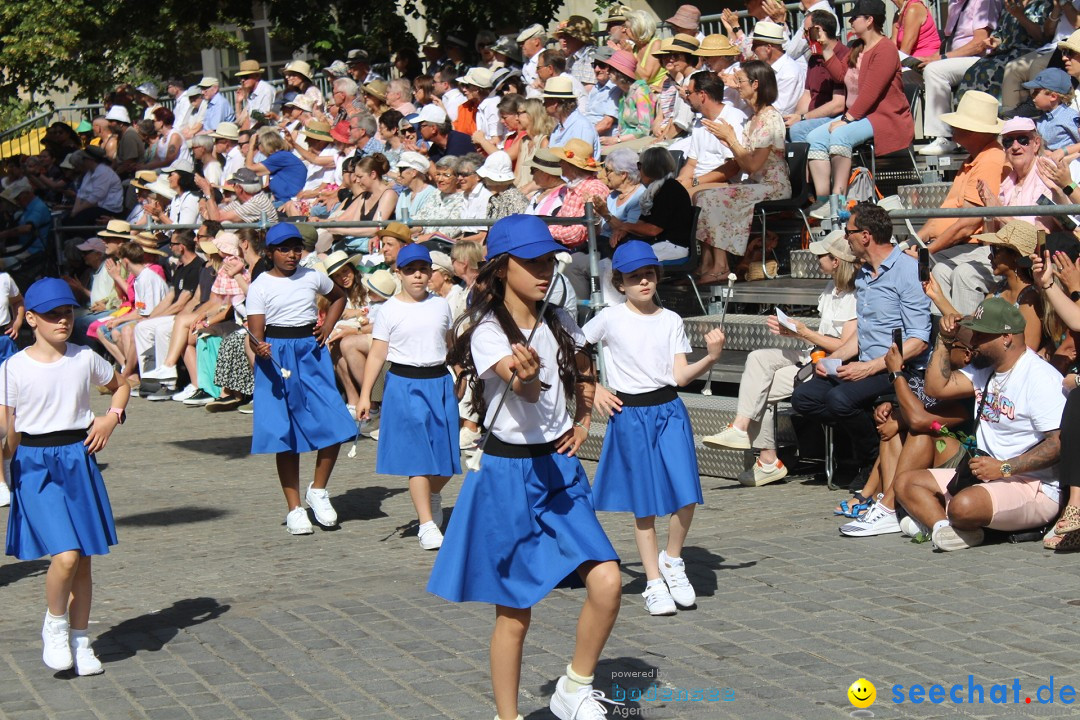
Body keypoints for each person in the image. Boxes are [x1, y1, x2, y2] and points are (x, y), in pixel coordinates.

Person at [428, 214, 621, 720]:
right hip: (505, 476)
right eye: (530, 261)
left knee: (607, 580)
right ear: (501, 266)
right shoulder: (487, 330)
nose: (543, 271)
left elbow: (582, 372)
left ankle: (574, 687)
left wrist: (582, 418)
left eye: (548, 261)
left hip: (559, 472)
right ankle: (507, 717)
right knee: (514, 614)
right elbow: (522, 387)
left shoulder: (560, 319)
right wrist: (531, 380)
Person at [584, 242, 724, 616]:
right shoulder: (609, 318)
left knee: (686, 493)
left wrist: (709, 358)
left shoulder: (671, 320)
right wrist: (593, 386)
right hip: (630, 414)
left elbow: (678, 375)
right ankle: (652, 581)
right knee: (643, 506)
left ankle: (672, 559)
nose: (643, 281)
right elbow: (573, 347)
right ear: (621, 283)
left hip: (669, 410)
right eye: (634, 277)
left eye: (648, 274)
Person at [1, 277, 130, 675]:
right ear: (31, 319)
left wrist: (111, 418)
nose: (62, 320)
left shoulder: (85, 357)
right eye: (53, 314)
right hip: (35, 464)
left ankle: (81, 640)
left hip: (78, 458)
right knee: (66, 555)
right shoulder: (13, 367)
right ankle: (55, 625)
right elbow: (7, 430)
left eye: (68, 312)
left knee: (84, 560)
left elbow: (120, 386)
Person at [895, 298, 1064, 550]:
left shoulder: (1040, 378)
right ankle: (945, 529)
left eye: (981, 336)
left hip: (1033, 485)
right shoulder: (986, 369)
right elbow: (935, 387)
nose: (973, 342)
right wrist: (944, 339)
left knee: (963, 506)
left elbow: (1059, 443)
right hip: (982, 476)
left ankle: (945, 521)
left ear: (1006, 338)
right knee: (905, 483)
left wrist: (1005, 468)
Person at [703, 230, 859, 485]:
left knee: (759, 388)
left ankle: (766, 460)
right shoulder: (832, 287)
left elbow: (843, 346)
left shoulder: (854, 294)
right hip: (815, 354)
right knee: (758, 359)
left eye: (822, 255)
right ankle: (746, 434)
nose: (817, 258)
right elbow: (822, 338)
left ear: (836, 261)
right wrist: (795, 333)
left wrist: (804, 331)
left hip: (834, 364)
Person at [791, 202, 931, 486]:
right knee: (804, 397)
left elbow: (919, 341)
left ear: (865, 235)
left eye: (848, 231)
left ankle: (871, 462)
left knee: (840, 399)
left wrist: (868, 369)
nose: (846, 238)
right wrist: (834, 359)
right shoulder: (865, 275)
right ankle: (872, 437)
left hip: (898, 370)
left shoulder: (906, 271)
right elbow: (862, 334)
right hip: (866, 363)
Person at [244, 223, 356, 535]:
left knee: (335, 423)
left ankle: (317, 490)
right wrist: (260, 346)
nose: (292, 254)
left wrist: (327, 327)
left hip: (310, 352)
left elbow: (338, 297)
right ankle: (294, 508)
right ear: (270, 253)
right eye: (284, 249)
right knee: (285, 434)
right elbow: (256, 331)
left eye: (296, 248)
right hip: (276, 357)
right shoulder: (260, 285)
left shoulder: (313, 275)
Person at [356, 244, 460, 550]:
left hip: (440, 382)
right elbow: (377, 354)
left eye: (423, 269)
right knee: (418, 458)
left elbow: (449, 342)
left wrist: (460, 371)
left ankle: (432, 494)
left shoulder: (441, 305)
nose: (418, 275)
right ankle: (426, 524)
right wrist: (365, 395)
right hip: (404, 383)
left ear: (432, 272)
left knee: (447, 459)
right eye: (411, 270)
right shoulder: (388, 310)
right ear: (398, 273)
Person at [806, 0, 914, 219]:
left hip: (883, 117)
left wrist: (847, 119)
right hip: (859, 115)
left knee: (840, 135)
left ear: (870, 20)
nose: (851, 22)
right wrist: (825, 46)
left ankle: (840, 199)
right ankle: (824, 200)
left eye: (855, 18)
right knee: (814, 137)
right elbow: (839, 75)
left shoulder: (885, 49)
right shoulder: (857, 47)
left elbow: (871, 92)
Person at [693, 61, 792, 278]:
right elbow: (745, 162)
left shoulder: (770, 118)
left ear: (755, 84)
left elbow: (753, 164)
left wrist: (730, 139)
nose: (736, 86)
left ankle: (721, 266)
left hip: (773, 186)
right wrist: (729, 141)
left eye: (740, 81)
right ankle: (708, 262)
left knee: (715, 199)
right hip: (756, 184)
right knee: (703, 195)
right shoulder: (753, 119)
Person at [915, 91, 1007, 315]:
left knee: (927, 270)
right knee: (927, 268)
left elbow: (968, 223)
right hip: (959, 243)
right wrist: (916, 240)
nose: (952, 131)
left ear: (974, 131)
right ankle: (943, 337)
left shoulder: (991, 158)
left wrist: (926, 251)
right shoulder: (973, 158)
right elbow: (946, 212)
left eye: (958, 125)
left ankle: (962, 342)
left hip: (973, 244)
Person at [917, 0, 998, 156]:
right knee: (906, 74)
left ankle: (944, 136)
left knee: (934, 71)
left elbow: (979, 43)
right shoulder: (954, 4)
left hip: (980, 60)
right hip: (954, 59)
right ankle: (897, 141)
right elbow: (951, 43)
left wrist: (941, 58)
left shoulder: (983, 2)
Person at [246, 128, 306, 207]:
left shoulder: (279, 157)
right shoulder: (280, 156)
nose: (258, 148)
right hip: (284, 200)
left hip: (290, 201)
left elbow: (250, 169)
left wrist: (251, 147)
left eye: (258, 144)